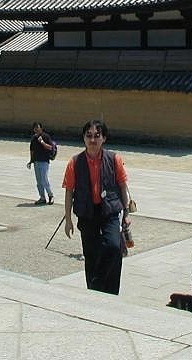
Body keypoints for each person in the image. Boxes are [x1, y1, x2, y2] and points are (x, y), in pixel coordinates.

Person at [62, 119, 131, 295]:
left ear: (104, 138)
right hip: (87, 213)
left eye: (97, 136)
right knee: (91, 253)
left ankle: (106, 286)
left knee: (114, 247)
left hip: (109, 211)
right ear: (84, 138)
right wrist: (68, 219)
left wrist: (127, 213)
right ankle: (93, 290)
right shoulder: (75, 162)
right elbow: (69, 191)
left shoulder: (114, 159)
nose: (93, 140)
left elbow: (123, 186)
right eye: (89, 136)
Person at [28, 122, 55, 205]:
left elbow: (50, 147)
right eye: (35, 128)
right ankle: (42, 198)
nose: (36, 129)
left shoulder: (46, 136)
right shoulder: (33, 139)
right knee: (39, 181)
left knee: (44, 180)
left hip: (44, 161)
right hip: (36, 162)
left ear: (41, 128)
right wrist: (31, 161)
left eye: (38, 127)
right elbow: (32, 151)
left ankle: (50, 195)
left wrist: (42, 142)